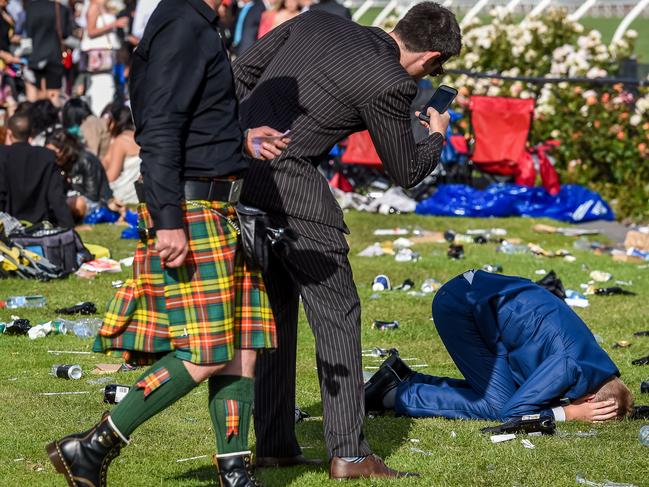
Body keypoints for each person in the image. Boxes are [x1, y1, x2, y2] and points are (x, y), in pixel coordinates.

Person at [46, 0, 289, 486]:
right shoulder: (181, 24)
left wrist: (238, 141)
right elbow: (158, 127)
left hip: (218, 208)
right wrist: (168, 219)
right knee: (205, 352)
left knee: (242, 346)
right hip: (191, 210)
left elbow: (192, 118)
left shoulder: (194, 22)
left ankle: (235, 474)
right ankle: (91, 448)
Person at [232, 3, 460, 479]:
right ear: (431, 58)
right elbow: (407, 171)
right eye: (436, 68)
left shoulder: (317, 20)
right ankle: (351, 454)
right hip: (292, 183)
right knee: (338, 312)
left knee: (275, 310)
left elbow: (241, 72)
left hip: (240, 170)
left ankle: (274, 442)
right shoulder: (393, 82)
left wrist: (245, 137)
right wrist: (435, 135)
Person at [365, 270, 634, 423]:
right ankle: (393, 395)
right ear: (589, 400)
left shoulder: (592, 362)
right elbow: (511, 414)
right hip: (462, 308)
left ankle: (403, 378)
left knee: (514, 393)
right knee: (498, 404)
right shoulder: (568, 366)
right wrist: (570, 413)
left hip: (477, 295)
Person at [0, 114, 74, 228]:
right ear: (31, 134)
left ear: (9, 133)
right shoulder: (47, 156)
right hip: (38, 228)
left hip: (7, 227)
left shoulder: (3, 155)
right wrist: (68, 226)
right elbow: (56, 196)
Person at [46, 128, 115, 221]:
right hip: (74, 201)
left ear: (65, 148)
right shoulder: (59, 165)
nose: (51, 156)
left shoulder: (86, 160)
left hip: (98, 204)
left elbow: (93, 196)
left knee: (69, 203)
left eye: (53, 152)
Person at [81, 0, 128, 115]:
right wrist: (114, 24)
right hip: (100, 57)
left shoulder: (105, 6)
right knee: (101, 88)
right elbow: (90, 31)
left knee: (108, 88)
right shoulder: (94, 6)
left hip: (109, 56)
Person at [23, 0, 74, 106]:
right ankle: (53, 120)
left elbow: (27, 31)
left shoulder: (30, 8)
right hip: (54, 56)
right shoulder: (60, 8)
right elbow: (65, 34)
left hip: (35, 56)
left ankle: (34, 119)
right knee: (53, 95)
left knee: (35, 94)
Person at [101, 103, 140, 204]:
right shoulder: (137, 136)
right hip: (141, 190)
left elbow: (112, 176)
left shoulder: (121, 141)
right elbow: (106, 160)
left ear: (113, 121)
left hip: (128, 192)